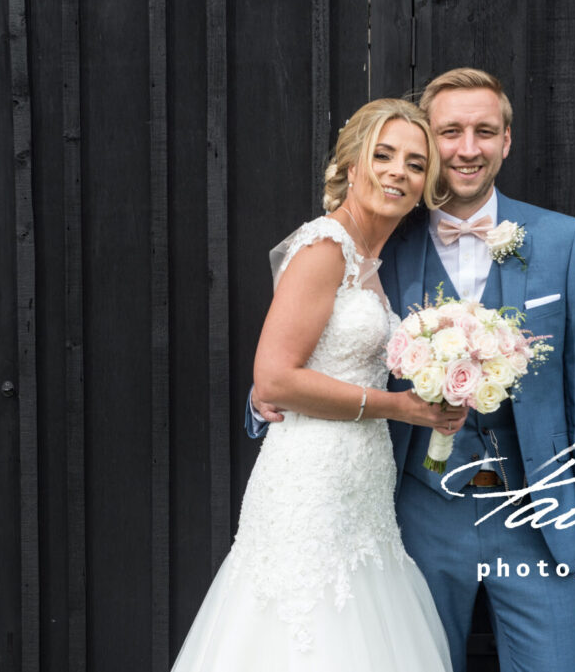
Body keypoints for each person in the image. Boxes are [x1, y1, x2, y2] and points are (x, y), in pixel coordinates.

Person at [250, 68, 575, 672]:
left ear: (507, 140)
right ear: (431, 140)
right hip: (416, 513)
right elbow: (317, 332)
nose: (467, 148)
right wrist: (266, 391)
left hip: (539, 515)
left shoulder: (561, 240)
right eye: (450, 131)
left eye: (484, 130)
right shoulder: (383, 238)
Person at [172, 98, 457, 671]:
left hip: (362, 490)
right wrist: (397, 407)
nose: (399, 171)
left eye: (416, 163)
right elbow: (274, 376)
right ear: (352, 166)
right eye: (383, 155)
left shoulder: (373, 260)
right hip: (312, 482)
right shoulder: (326, 245)